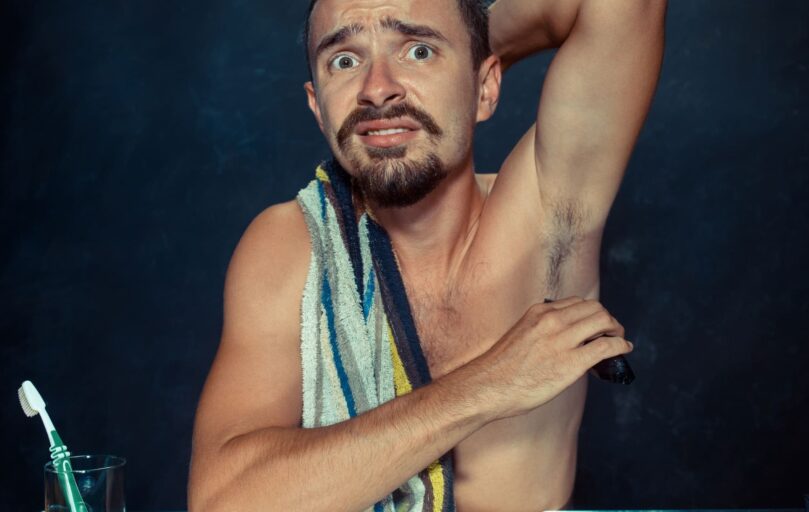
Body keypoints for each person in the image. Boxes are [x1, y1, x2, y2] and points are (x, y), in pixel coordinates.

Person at [187, 0, 665, 510]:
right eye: (344, 62)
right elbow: (222, 500)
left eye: (417, 51)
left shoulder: (549, 212)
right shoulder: (292, 244)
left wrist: (467, 45)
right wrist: (489, 383)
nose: (376, 88)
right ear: (317, 106)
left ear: (486, 88)